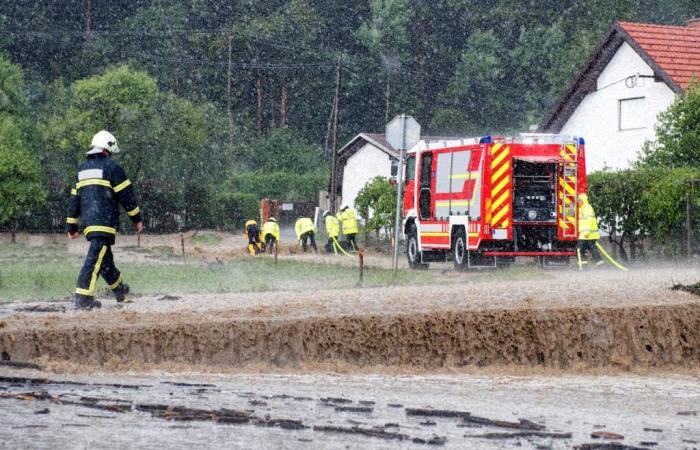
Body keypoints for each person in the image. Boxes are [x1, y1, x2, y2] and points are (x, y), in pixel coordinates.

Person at [67, 130, 142, 310]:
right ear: (107, 149)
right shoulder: (112, 168)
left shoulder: (82, 169)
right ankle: (83, 297)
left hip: (89, 223)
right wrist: (136, 218)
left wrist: (71, 225)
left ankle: (120, 289)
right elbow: (127, 196)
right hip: (105, 222)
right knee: (94, 260)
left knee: (105, 260)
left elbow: (74, 199)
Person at [577, 193, 603, 266]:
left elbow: (589, 220)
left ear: (583, 200)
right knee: (584, 249)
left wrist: (586, 232)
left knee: (581, 249)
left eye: (579, 200)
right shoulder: (582, 208)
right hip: (586, 234)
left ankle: (597, 263)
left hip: (588, 234)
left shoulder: (587, 208)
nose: (578, 202)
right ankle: (587, 264)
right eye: (577, 200)